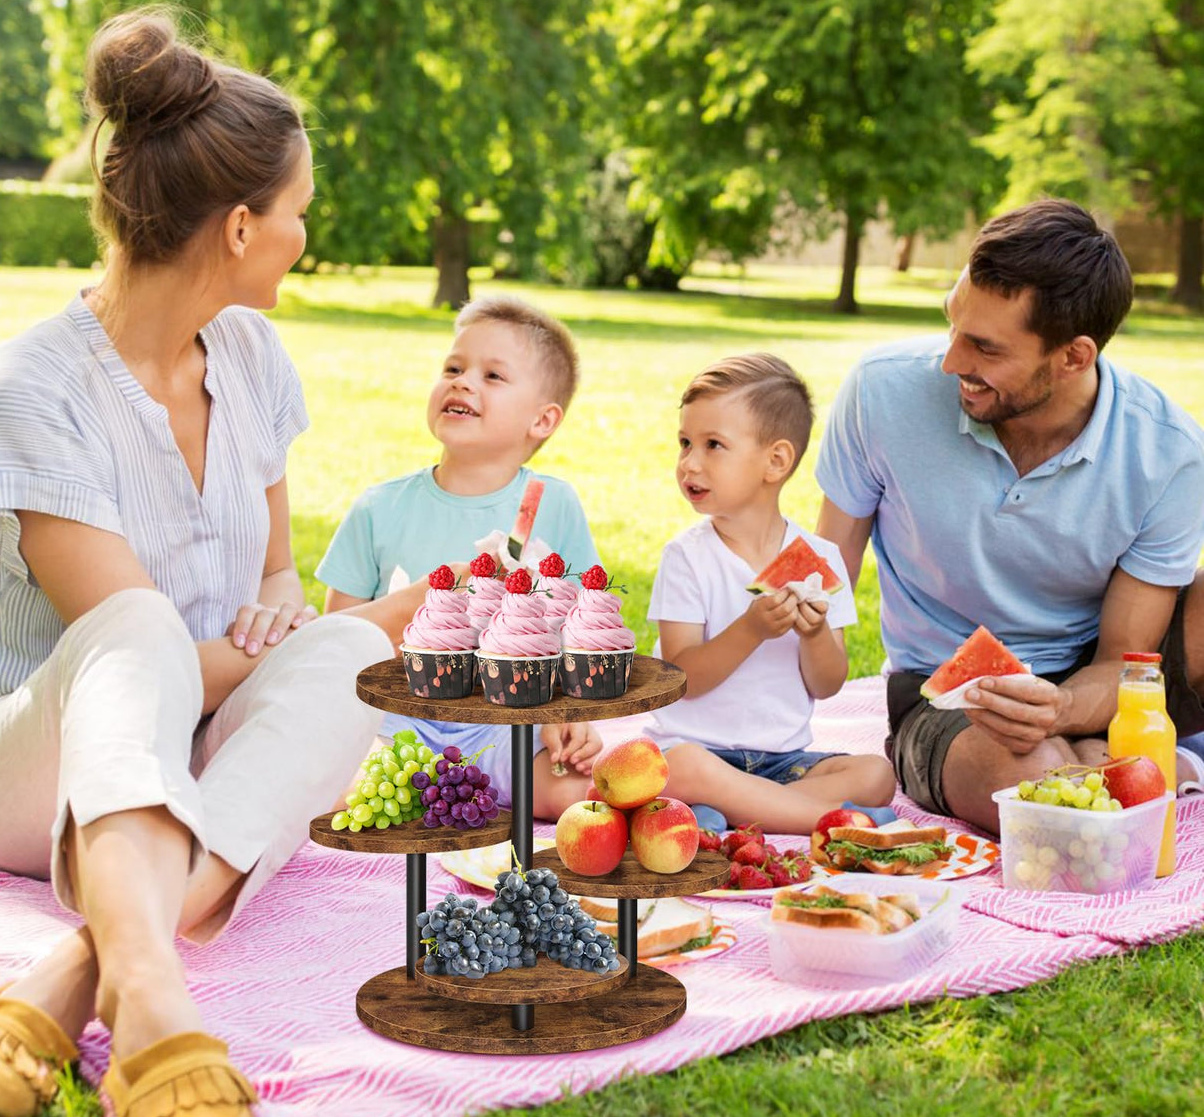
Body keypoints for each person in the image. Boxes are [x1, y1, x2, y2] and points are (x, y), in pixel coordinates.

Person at [0, 11, 402, 1117]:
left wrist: (295, 618)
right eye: (297, 210)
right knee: (145, 625)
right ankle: (162, 1009)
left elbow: (274, 571)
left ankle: (87, 965)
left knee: (339, 657)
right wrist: (317, 632)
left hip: (197, 737)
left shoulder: (254, 358)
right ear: (236, 227)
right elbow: (139, 654)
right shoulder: (31, 388)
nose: (303, 233)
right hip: (37, 762)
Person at [815, 198, 1204, 833]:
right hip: (943, 692)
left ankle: (1126, 753)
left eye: (985, 348)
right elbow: (821, 580)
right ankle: (1146, 763)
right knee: (1041, 798)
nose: (951, 363)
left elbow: (1125, 661)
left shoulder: (1167, 451)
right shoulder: (881, 392)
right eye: (952, 324)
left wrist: (1063, 707)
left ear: (1075, 356)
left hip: (1089, 677)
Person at [317, 294, 604, 820]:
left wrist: (571, 711)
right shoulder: (379, 508)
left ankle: (452, 792)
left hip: (501, 725)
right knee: (327, 788)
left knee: (578, 794)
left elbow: (581, 630)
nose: (462, 382)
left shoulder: (554, 504)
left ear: (542, 419)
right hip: (395, 720)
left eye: (493, 376)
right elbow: (338, 638)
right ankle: (443, 792)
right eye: (453, 367)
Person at [642, 354, 896, 833]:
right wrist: (752, 628)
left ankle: (739, 815)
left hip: (782, 761)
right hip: (694, 752)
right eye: (684, 443)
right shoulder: (687, 557)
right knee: (685, 769)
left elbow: (827, 683)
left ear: (775, 461)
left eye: (713, 445)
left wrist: (817, 632)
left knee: (876, 774)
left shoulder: (818, 557)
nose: (689, 463)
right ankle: (827, 820)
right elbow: (682, 678)